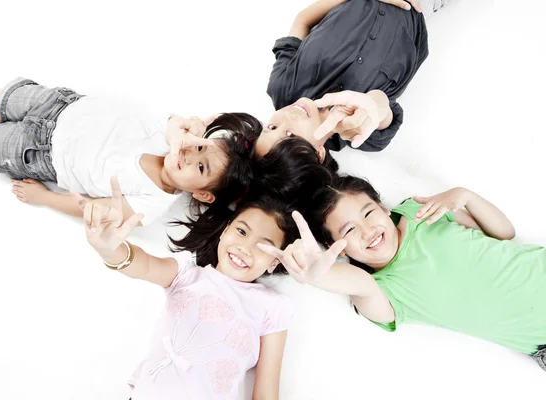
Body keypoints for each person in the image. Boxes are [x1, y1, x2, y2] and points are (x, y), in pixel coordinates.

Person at [258, 175, 546, 371]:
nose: (368, 231)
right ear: (339, 248)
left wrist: (464, 195)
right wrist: (316, 276)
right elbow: (359, 283)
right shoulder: (381, 289)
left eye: (369, 213)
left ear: (383, 208)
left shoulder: (419, 212)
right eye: (349, 230)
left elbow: (505, 234)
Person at [75, 177, 298, 399]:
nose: (245, 248)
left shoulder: (272, 307)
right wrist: (109, 249)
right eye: (241, 231)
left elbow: (266, 392)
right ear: (225, 231)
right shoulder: (186, 273)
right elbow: (144, 265)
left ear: (273, 263)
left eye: (263, 247)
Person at [0, 78, 260, 225]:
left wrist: (47, 199)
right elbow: (176, 124)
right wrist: (183, 126)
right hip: (57, 105)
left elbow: (91, 208)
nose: (189, 155)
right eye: (201, 147)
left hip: (40, 153)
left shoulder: (150, 204)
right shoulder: (173, 135)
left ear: (204, 195)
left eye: (201, 168)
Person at [262, 0, 431, 153]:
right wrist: (373, 105)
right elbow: (381, 108)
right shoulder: (363, 133)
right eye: (290, 134)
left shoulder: (282, 85)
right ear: (318, 155)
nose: (285, 118)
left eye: (272, 126)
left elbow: (302, 20)